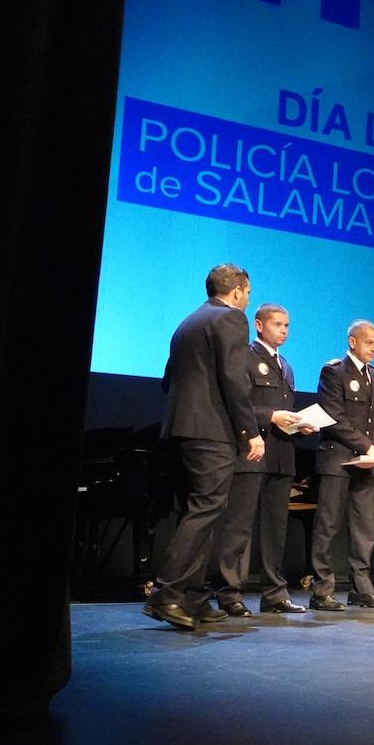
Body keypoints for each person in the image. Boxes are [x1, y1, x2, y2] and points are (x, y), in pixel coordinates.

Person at [143, 264, 264, 630]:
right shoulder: (230, 319)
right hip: (211, 433)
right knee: (207, 508)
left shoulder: (189, 322)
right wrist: (250, 431)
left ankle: (193, 598)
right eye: (248, 292)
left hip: (181, 430)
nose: (248, 298)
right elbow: (233, 380)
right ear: (239, 291)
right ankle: (166, 595)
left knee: (197, 511)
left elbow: (169, 380)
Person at [209, 303, 314, 617]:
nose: (284, 330)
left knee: (275, 529)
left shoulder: (287, 366)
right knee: (239, 526)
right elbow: (237, 405)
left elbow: (285, 413)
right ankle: (230, 594)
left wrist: (299, 425)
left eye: (287, 325)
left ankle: (274, 594)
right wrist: (272, 415)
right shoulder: (245, 357)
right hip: (252, 452)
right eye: (278, 324)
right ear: (258, 325)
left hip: (282, 455)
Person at [309, 320, 374, 610]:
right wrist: (365, 446)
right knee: (328, 526)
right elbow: (334, 417)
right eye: (369, 342)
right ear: (353, 342)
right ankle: (322, 591)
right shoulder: (334, 371)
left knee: (364, 529)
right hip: (338, 460)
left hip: (366, 463)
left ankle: (361, 588)